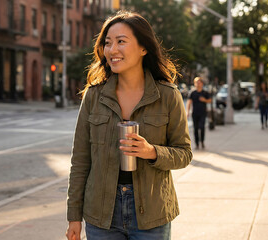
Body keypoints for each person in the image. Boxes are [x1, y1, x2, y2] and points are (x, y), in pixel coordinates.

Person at [66, 11, 193, 240]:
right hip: (101, 214)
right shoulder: (94, 96)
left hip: (151, 212)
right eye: (107, 43)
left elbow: (184, 153)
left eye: (121, 42)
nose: (112, 50)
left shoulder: (168, 96)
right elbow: (80, 161)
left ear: (143, 48)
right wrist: (73, 216)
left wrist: (151, 152)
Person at [186, 77, 212, 149]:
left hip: (203, 113)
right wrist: (187, 112)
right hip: (195, 113)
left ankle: (202, 142)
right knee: (196, 129)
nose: (198, 84)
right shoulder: (192, 93)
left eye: (199, 82)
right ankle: (197, 144)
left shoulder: (205, 93)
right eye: (196, 82)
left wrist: (204, 100)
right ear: (194, 84)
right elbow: (189, 102)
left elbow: (210, 100)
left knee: (202, 127)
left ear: (202, 84)